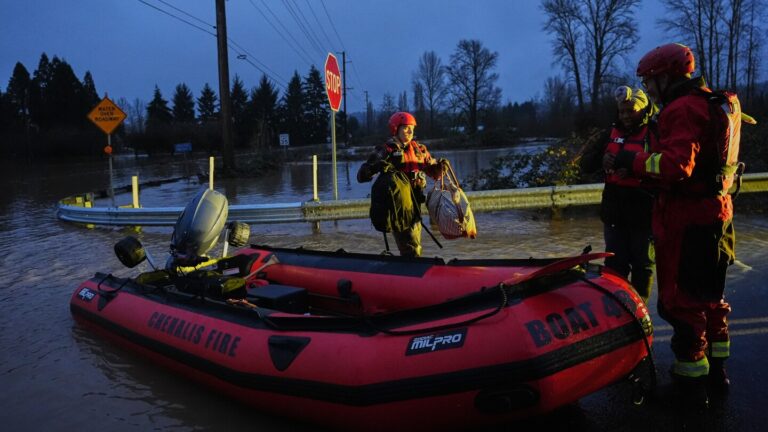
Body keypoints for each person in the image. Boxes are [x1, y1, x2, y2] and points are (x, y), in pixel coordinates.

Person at [606, 43, 738, 410]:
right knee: (711, 299)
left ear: (666, 77)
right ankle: (717, 373)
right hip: (718, 214)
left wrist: (635, 163)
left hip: (689, 220)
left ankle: (689, 384)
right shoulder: (713, 102)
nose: (648, 90)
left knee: (682, 303)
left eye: (650, 82)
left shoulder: (681, 109)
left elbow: (676, 166)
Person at [580, 86, 656, 304]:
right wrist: (601, 159)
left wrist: (634, 168)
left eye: (630, 111)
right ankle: (619, 309)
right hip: (615, 215)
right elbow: (585, 164)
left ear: (643, 110)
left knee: (643, 266)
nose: (625, 116)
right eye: (622, 111)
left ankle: (640, 308)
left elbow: (670, 168)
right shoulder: (609, 134)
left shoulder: (655, 133)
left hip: (645, 214)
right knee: (614, 267)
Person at [357, 112, 446, 257]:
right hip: (397, 206)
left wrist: (439, 166)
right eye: (405, 128)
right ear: (395, 129)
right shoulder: (386, 150)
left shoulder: (419, 150)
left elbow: (434, 174)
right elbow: (361, 176)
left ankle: (410, 270)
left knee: (415, 244)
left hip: (415, 204)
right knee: (411, 248)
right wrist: (375, 167)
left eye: (412, 128)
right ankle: (412, 273)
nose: (410, 131)